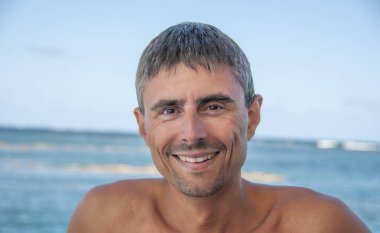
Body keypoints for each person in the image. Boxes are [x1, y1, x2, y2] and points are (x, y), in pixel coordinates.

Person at [67, 22, 370, 233]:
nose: (192, 133)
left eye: (213, 107)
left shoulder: (321, 225)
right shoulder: (103, 218)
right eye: (170, 110)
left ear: (251, 117)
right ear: (144, 128)